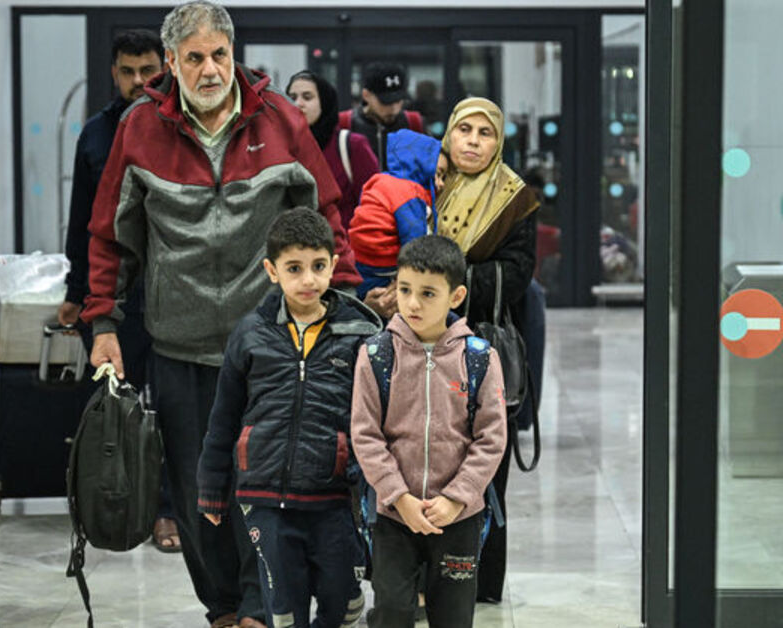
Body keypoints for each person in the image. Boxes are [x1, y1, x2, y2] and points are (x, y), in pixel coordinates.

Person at [82, 3, 359, 627]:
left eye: (219, 55)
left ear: (233, 54)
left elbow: (327, 218)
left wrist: (341, 311)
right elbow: (108, 237)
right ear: (172, 62)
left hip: (268, 344)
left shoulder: (280, 119)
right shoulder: (139, 127)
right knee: (195, 492)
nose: (210, 70)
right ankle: (224, 610)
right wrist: (103, 324)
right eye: (195, 58)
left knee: (264, 489)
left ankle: (261, 608)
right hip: (179, 346)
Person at [198, 208, 377, 628]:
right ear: (272, 271)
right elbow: (223, 418)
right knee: (282, 606)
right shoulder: (250, 334)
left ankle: (346, 602)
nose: (308, 279)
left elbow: (375, 418)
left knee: (338, 595)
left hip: (332, 494)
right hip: (264, 495)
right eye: (294, 268)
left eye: (318, 266)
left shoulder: (360, 334)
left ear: (334, 265)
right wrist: (211, 488)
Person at [55, 28, 183, 556]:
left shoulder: (177, 126)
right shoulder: (95, 134)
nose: (137, 81)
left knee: (171, 407)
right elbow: (83, 220)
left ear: (164, 69)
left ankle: (168, 508)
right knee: (115, 404)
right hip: (113, 294)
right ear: (113, 73)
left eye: (147, 70)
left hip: (173, 290)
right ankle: (117, 502)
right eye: (127, 71)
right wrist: (75, 290)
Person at [351, 235, 507, 628]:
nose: (413, 303)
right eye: (404, 289)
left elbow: (491, 438)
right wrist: (398, 496)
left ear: (456, 296)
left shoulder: (480, 358)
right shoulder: (375, 355)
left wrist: (456, 498)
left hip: (459, 517)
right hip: (394, 514)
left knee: (453, 616)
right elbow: (366, 435)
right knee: (392, 611)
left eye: (427, 293)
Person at [434, 97, 539, 604]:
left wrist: (441, 283)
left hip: (482, 351)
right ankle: (428, 582)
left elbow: (517, 275)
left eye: (485, 133)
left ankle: (480, 580)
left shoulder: (515, 199)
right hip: (423, 349)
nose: (473, 142)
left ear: (499, 142)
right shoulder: (429, 185)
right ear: (449, 135)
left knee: (485, 463)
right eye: (464, 130)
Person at [347, 129, 445, 300]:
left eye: (443, 177)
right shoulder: (410, 193)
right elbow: (414, 242)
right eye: (436, 174)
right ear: (420, 166)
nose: (441, 183)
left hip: (358, 257)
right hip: (384, 265)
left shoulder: (380, 179)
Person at [286, 71, 379, 231]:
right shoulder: (280, 147)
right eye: (292, 97)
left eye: (307, 97)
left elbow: (374, 207)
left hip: (343, 242)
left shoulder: (352, 146)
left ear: (324, 102)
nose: (298, 103)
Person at [339, 62, 424, 169]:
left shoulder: (414, 124)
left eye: (398, 101)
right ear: (366, 95)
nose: (394, 109)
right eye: (386, 102)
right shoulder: (344, 125)